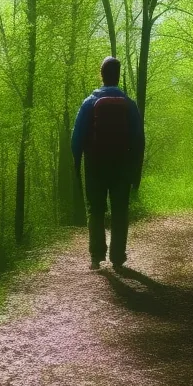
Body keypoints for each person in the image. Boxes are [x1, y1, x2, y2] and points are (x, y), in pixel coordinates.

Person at [71, 57, 144, 270]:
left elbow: (76, 137)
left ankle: (96, 256)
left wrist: (76, 164)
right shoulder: (129, 104)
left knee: (95, 209)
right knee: (120, 209)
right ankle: (118, 257)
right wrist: (135, 170)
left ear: (101, 75)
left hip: (95, 164)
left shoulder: (89, 103)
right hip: (122, 165)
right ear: (118, 76)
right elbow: (139, 139)